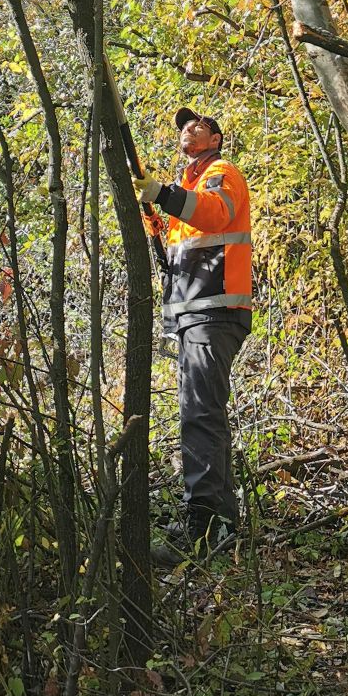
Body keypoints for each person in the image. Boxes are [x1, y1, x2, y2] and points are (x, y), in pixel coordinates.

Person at [133, 107, 252, 565]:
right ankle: (220, 524)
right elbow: (185, 236)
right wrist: (158, 213)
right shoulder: (194, 183)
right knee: (205, 413)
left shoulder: (221, 174)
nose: (188, 128)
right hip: (197, 314)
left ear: (217, 138)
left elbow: (215, 216)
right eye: (183, 124)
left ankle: (202, 526)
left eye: (198, 123)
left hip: (213, 311)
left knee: (199, 415)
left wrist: (163, 193)